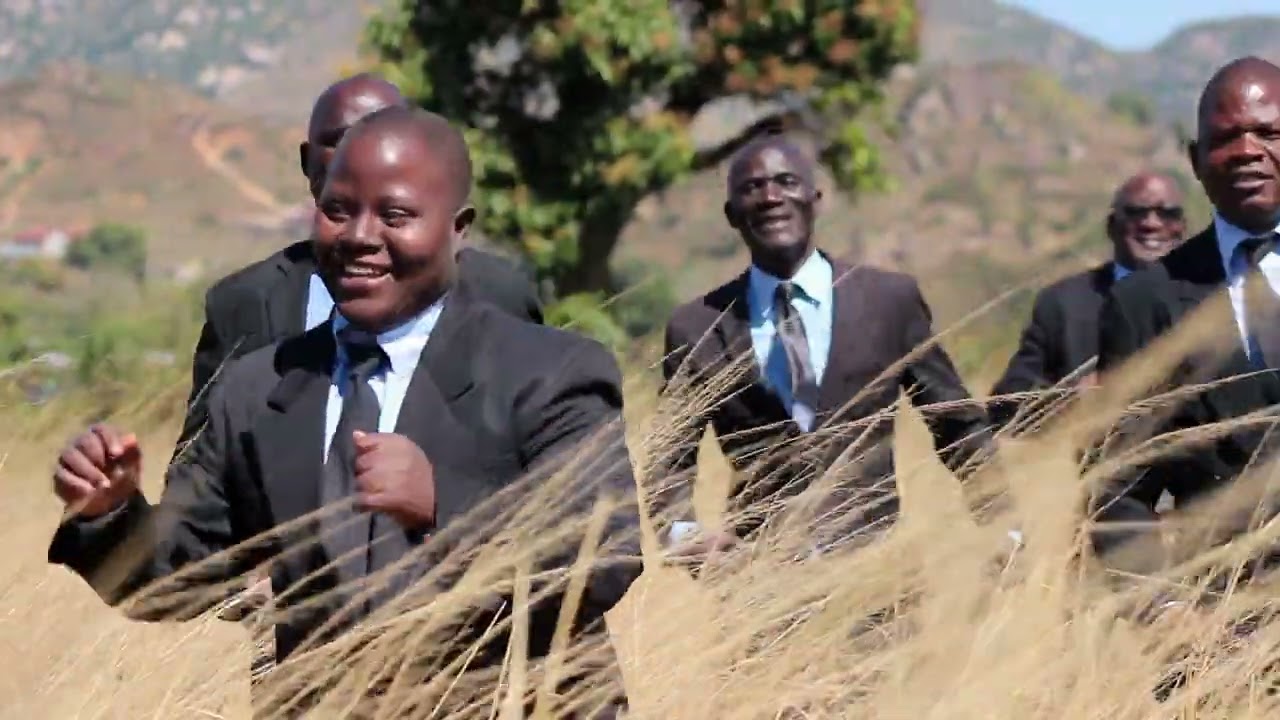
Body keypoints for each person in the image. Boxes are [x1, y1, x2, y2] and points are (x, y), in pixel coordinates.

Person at [48, 107, 640, 717]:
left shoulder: (551, 372)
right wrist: (110, 512)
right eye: (338, 210)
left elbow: (606, 561)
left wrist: (445, 508)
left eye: (396, 215)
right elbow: (176, 585)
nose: (359, 234)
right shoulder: (258, 387)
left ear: (458, 228)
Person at [657, 132, 995, 559]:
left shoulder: (889, 300)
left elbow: (956, 424)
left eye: (786, 181)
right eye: (751, 188)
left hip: (876, 581)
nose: (770, 196)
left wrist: (1003, 525)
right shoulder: (697, 326)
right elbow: (669, 458)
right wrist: (684, 538)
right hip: (754, 585)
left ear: (815, 198)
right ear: (731, 215)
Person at [178, 73, 543, 453]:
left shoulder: (497, 293)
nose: (362, 154)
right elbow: (199, 478)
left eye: (383, 135)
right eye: (341, 140)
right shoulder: (244, 304)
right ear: (307, 161)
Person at [1091, 56, 1280, 573]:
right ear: (1197, 161)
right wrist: (1165, 610)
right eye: (1226, 138)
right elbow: (1115, 487)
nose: (1246, 151)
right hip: (1228, 625)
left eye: (1268, 132)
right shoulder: (1145, 303)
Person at [989, 171, 1187, 432]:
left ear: (1181, 227)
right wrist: (1065, 401)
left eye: (1167, 213)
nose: (1151, 223)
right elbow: (1006, 405)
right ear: (1111, 226)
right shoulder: (1063, 303)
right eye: (1136, 212)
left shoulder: (1218, 297)